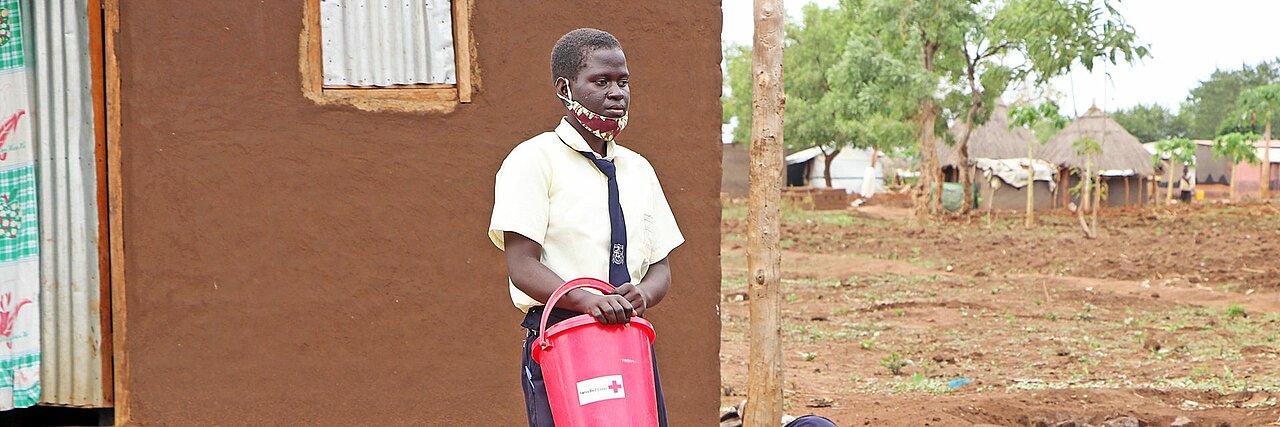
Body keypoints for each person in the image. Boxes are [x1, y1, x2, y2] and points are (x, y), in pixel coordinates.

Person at [488, 28, 684, 426]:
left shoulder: (639, 170)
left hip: (628, 337)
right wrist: (585, 301)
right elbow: (522, 265)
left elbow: (661, 267)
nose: (617, 93)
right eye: (601, 81)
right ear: (565, 87)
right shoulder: (533, 160)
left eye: (623, 82)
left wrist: (642, 294)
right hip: (563, 336)